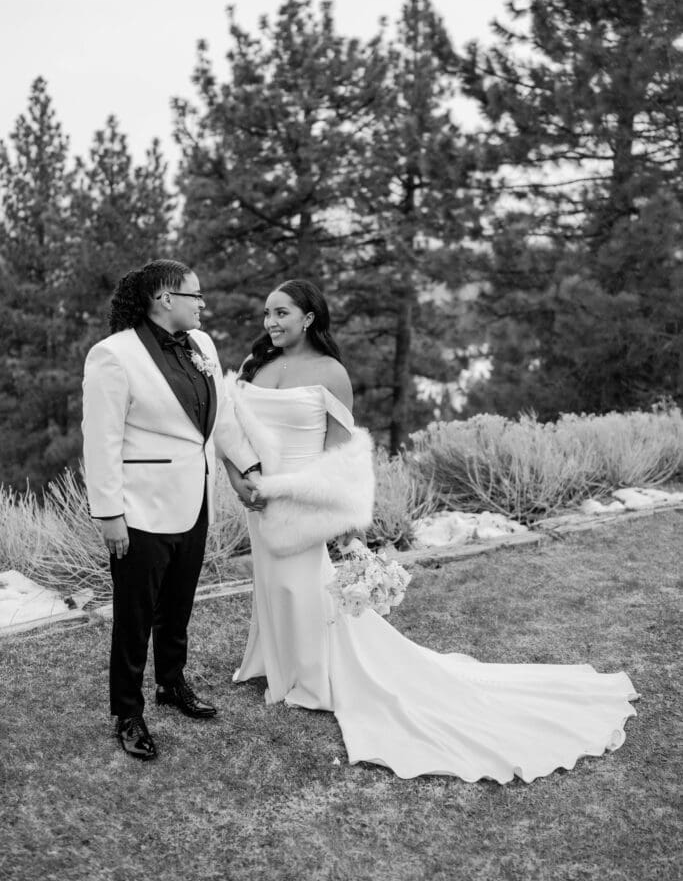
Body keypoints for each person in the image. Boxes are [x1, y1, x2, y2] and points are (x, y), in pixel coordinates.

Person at [226, 278, 639, 782]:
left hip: (298, 498)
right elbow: (235, 430)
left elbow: (339, 457)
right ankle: (275, 662)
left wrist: (301, 497)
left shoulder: (330, 372)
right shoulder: (259, 365)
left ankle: (310, 679)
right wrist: (242, 478)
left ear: (309, 317)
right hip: (258, 495)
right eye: (267, 313)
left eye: (282, 313)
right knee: (270, 582)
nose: (270, 322)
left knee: (302, 584)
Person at [82, 259, 261, 761]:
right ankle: (128, 712)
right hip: (139, 509)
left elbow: (219, 417)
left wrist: (246, 466)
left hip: (193, 498)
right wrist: (109, 514)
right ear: (165, 298)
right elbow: (100, 441)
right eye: (195, 296)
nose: (203, 304)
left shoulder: (201, 345)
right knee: (134, 616)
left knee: (179, 603)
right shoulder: (112, 356)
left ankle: (171, 683)